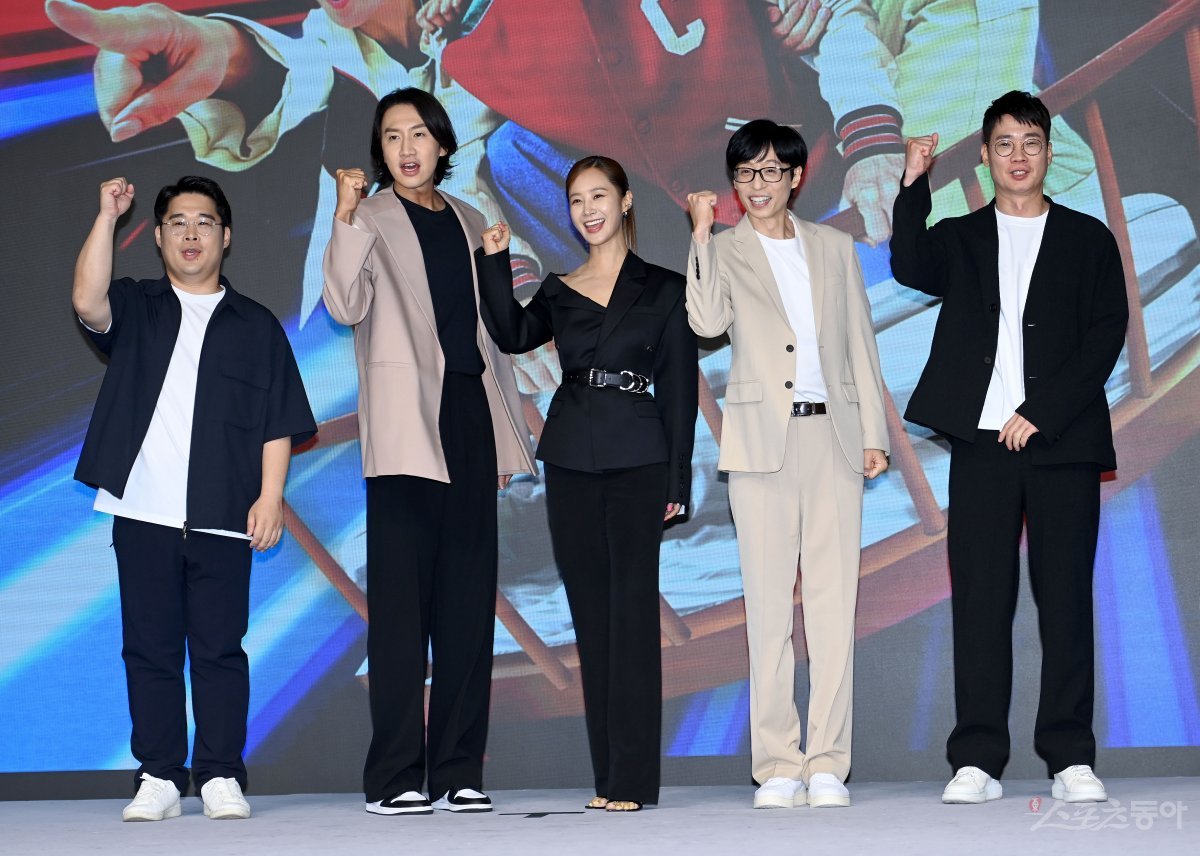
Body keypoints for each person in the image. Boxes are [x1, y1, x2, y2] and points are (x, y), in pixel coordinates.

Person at [890, 90, 1128, 805]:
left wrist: (1041, 413)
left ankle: (1070, 757)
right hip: (983, 446)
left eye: (1030, 142)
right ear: (987, 155)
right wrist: (914, 181)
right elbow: (909, 263)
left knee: (1066, 602)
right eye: (1004, 144)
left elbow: (1106, 335)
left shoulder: (1087, 238)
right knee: (981, 602)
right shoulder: (961, 238)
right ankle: (977, 759)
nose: (1018, 156)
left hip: (1062, 444)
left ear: (1048, 152)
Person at [72, 175, 317, 821]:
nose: (190, 233)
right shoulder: (137, 305)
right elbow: (86, 299)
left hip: (224, 515)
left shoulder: (256, 325)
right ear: (157, 237)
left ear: (225, 236)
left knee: (219, 650)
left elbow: (278, 421)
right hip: (142, 512)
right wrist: (107, 215)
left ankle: (219, 774)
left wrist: (271, 497)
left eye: (204, 221)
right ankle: (158, 774)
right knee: (149, 649)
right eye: (177, 222)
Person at [322, 87, 536, 816]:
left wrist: (504, 433)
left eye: (418, 134)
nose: (406, 148)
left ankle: (457, 769)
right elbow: (344, 305)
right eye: (391, 137)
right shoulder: (367, 218)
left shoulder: (472, 219)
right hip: (405, 424)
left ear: (443, 144)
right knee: (401, 610)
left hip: (470, 417)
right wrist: (344, 215)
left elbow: (488, 339)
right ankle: (394, 777)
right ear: (378, 151)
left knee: (469, 605)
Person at [475, 155, 699, 812]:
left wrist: (678, 476)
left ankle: (633, 780)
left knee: (632, 614)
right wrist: (495, 263)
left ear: (625, 202)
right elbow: (511, 334)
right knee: (591, 619)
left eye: (598, 196)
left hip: (639, 458)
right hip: (570, 457)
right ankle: (608, 779)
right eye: (576, 200)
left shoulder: (664, 287)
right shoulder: (558, 289)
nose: (587, 210)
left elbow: (679, 389)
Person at [687, 120, 890, 809]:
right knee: (769, 611)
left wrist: (874, 435)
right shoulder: (724, 248)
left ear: (796, 177)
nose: (759, 185)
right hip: (760, 445)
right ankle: (777, 763)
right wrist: (700, 236)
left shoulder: (833, 247)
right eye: (746, 173)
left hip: (833, 436)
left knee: (833, 607)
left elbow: (860, 342)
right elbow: (705, 322)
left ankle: (828, 762)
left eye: (772, 171)